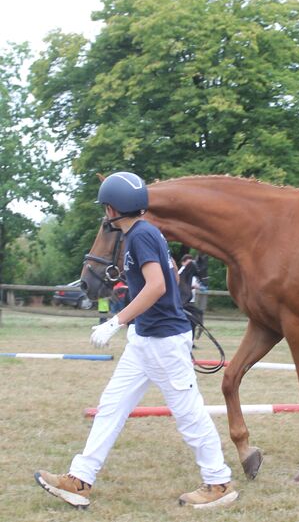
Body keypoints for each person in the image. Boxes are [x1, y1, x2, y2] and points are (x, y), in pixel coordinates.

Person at [35, 171, 237, 510]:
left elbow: (157, 285)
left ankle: (218, 482)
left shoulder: (141, 236)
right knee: (111, 406)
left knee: (188, 414)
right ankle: (80, 478)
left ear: (112, 209)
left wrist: (116, 320)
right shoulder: (145, 233)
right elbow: (159, 280)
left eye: (105, 208)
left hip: (163, 341)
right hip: (144, 339)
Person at [178, 254, 204, 346]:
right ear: (183, 263)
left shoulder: (190, 274)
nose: (190, 264)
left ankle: (190, 342)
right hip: (183, 302)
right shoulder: (180, 272)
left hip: (189, 301)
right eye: (188, 262)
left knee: (192, 320)